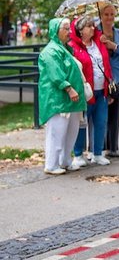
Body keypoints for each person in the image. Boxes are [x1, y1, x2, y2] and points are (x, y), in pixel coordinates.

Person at [38, 18, 87, 175]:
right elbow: (56, 74)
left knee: (71, 132)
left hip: (70, 100)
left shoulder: (65, 49)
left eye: (69, 28)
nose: (69, 31)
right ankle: (51, 164)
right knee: (56, 133)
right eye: (65, 28)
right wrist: (69, 89)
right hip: (58, 100)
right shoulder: (50, 51)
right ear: (55, 31)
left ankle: (65, 160)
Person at [69, 15, 113, 166]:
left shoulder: (99, 42)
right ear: (80, 30)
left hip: (102, 91)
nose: (93, 28)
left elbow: (106, 65)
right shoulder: (73, 47)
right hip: (85, 93)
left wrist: (109, 87)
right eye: (89, 26)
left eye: (93, 25)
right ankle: (78, 155)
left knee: (101, 122)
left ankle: (97, 153)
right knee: (81, 124)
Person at [98, 4, 119, 157]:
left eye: (112, 14)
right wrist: (100, 43)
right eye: (106, 14)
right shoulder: (95, 33)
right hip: (101, 78)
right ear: (101, 16)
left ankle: (113, 147)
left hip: (117, 79)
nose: (109, 17)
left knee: (116, 114)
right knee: (101, 114)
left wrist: (114, 46)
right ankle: (99, 148)